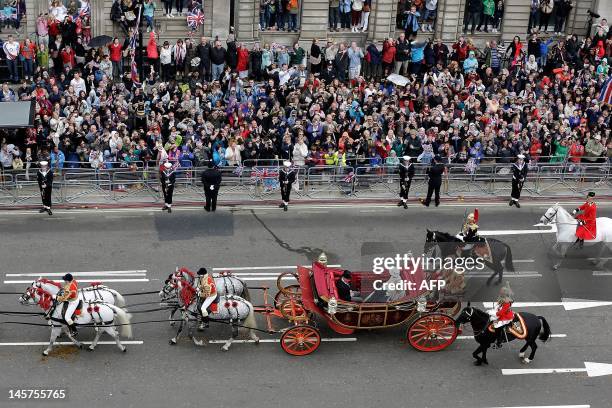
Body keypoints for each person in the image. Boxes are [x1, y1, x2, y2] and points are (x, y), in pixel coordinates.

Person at [488, 281, 515, 348]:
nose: (500, 293)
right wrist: (508, 284)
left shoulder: (506, 302)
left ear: (504, 294)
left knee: (497, 326)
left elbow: (501, 313)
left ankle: (499, 342)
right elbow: (509, 290)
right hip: (502, 312)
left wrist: (492, 313)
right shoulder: (504, 297)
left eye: (501, 292)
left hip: (506, 316)